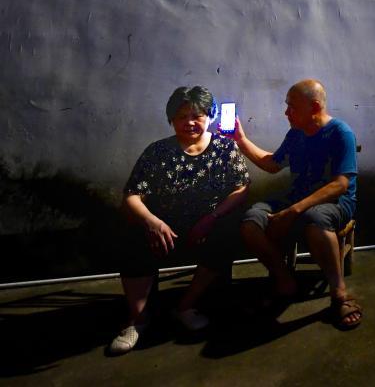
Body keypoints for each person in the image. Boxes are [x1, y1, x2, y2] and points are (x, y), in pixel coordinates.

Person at [109, 86, 250, 355]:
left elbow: (241, 187)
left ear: (210, 116)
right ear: (171, 119)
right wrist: (152, 221)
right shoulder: (158, 151)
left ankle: (185, 306)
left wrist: (212, 217)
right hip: (165, 228)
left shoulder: (224, 148)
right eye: (182, 116)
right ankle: (137, 319)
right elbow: (132, 195)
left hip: (206, 226)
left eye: (197, 116)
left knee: (230, 232)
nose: (190, 122)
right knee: (129, 234)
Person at [235, 79, 362, 329]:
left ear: (314, 107)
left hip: (334, 202)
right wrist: (240, 140)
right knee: (251, 222)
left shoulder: (340, 133)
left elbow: (340, 185)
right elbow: (272, 164)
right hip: (296, 197)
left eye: (292, 107)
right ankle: (285, 281)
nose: (286, 112)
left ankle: (339, 294)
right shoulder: (296, 135)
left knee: (314, 219)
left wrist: (293, 211)